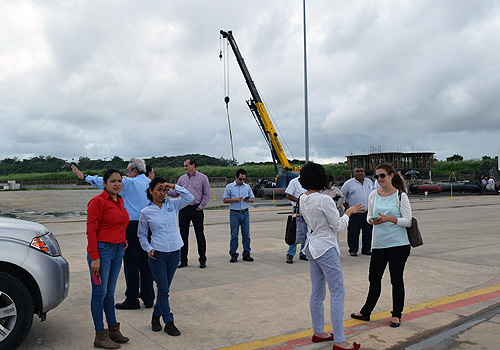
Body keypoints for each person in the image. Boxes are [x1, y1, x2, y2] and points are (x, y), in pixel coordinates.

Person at [73, 158, 154, 310]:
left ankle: (132, 298)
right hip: (148, 225)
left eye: (127, 171)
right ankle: (148, 298)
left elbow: (105, 181)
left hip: (131, 225)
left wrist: (84, 177)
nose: (125, 175)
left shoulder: (130, 182)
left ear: (134, 171)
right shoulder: (150, 182)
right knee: (146, 263)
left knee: (131, 263)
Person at [299, 162, 363, 350]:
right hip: (326, 247)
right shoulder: (324, 200)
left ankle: (319, 331)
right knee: (337, 292)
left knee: (317, 292)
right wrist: (349, 213)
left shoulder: (303, 198)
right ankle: (341, 341)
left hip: (311, 246)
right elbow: (338, 226)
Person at [351, 163, 412, 328]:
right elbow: (368, 216)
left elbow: (408, 221)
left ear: (391, 176)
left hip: (398, 244)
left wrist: (389, 219)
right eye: (377, 176)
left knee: (396, 280)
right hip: (378, 244)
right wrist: (372, 220)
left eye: (382, 175)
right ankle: (366, 312)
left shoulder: (400, 196)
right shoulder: (373, 195)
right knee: (374, 278)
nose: (379, 179)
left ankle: (396, 315)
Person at [138, 177, 194, 336]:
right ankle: (169, 322)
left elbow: (190, 198)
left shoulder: (173, 204)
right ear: (151, 191)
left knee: (164, 289)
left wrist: (174, 186)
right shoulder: (145, 212)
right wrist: (148, 248)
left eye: (164, 190)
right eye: (159, 190)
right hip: (158, 255)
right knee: (163, 290)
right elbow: (141, 235)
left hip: (175, 252)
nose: (162, 193)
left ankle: (156, 316)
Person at [86, 169, 130, 349]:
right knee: (99, 293)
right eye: (113, 181)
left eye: (119, 181)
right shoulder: (97, 202)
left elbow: (119, 223)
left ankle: (113, 329)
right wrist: (94, 257)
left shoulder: (119, 200)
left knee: (110, 293)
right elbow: (91, 230)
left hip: (117, 250)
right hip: (101, 252)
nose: (117, 184)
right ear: (104, 183)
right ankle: (100, 335)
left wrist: (123, 240)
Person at [168, 158, 211, 268]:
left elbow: (206, 194)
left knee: (199, 235)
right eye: (184, 166)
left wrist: (201, 207)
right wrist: (166, 191)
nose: (185, 168)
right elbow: (176, 193)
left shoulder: (203, 178)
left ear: (193, 165)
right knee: (183, 235)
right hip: (184, 209)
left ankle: (202, 259)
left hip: (196, 209)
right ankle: (183, 260)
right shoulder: (182, 178)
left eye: (187, 165)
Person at [223, 168, 255, 263]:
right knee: (234, 235)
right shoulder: (229, 187)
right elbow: (225, 200)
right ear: (236, 177)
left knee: (246, 235)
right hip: (234, 213)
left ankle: (246, 253)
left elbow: (252, 199)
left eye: (243, 179)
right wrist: (235, 199)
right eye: (240, 179)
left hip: (245, 212)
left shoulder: (247, 187)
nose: (242, 181)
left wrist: (248, 200)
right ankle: (233, 254)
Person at [341, 167, 375, 256]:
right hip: (355, 211)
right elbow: (342, 195)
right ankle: (353, 249)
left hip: (368, 211)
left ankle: (366, 249)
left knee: (368, 231)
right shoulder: (349, 183)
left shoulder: (369, 182)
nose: (360, 173)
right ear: (354, 173)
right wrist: (346, 206)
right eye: (357, 171)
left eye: (361, 171)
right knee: (353, 232)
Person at [284, 176, 307, 264]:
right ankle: (290, 254)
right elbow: (288, 195)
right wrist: (300, 200)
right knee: (295, 232)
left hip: (307, 209)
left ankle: (303, 253)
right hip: (297, 209)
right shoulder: (294, 182)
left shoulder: (309, 181)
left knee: (306, 232)